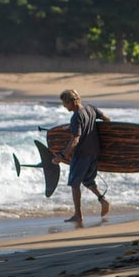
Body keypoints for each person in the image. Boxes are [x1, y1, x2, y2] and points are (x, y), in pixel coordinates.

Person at [52, 89, 110, 225]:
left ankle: (78, 215)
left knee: (74, 184)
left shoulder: (76, 116)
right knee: (88, 180)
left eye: (65, 103)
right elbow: (107, 120)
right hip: (94, 152)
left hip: (81, 154)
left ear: (71, 101)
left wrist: (61, 156)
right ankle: (102, 199)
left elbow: (75, 140)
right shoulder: (91, 109)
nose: (64, 106)